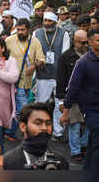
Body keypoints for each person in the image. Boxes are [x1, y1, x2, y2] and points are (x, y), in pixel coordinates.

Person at [60, 29, 99, 170]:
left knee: (94, 144)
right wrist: (65, 111)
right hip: (91, 110)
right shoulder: (83, 62)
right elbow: (73, 88)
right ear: (90, 42)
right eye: (98, 40)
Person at [5, 18, 45, 141]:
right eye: (18, 30)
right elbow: (2, 57)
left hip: (28, 82)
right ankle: (32, 135)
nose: (20, 32)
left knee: (18, 111)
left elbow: (42, 60)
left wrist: (34, 66)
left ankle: (9, 131)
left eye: (22, 30)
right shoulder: (9, 40)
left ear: (28, 30)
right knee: (25, 109)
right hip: (14, 82)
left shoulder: (35, 42)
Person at [34, 11, 70, 142]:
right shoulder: (37, 33)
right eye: (45, 21)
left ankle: (58, 132)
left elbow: (65, 55)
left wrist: (64, 74)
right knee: (41, 104)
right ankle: (39, 129)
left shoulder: (63, 33)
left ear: (55, 22)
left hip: (59, 75)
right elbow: (34, 53)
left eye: (50, 21)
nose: (47, 24)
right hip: (42, 74)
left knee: (59, 103)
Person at [3, 102, 69, 170]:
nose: (44, 128)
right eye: (38, 123)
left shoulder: (61, 163)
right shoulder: (7, 163)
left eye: (48, 123)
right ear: (23, 127)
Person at [56, 30, 89, 163]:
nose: (86, 45)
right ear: (75, 41)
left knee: (88, 124)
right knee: (74, 125)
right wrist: (61, 100)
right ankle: (75, 151)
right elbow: (61, 79)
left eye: (87, 42)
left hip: (89, 96)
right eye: (83, 42)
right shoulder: (65, 57)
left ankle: (83, 145)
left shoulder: (92, 55)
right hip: (72, 96)